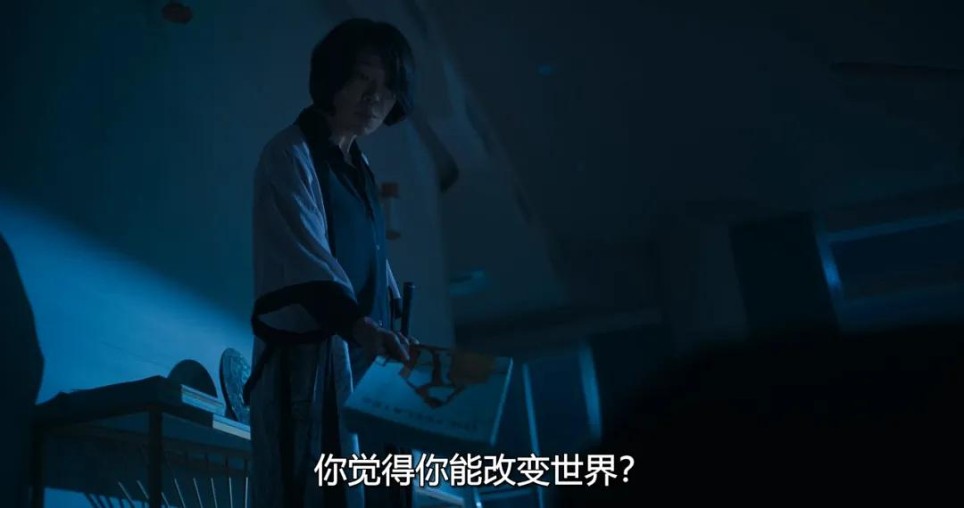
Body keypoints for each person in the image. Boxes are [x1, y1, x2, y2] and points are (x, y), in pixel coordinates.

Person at [245, 18, 418, 508]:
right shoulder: (289, 155)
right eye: (363, 78)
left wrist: (392, 332)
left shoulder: (362, 171)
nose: (374, 97)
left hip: (370, 375)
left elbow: (376, 277)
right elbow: (305, 263)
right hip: (313, 369)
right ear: (333, 75)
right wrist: (362, 327)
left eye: (387, 88)